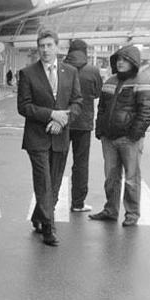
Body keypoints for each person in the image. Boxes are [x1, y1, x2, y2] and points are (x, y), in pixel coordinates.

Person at [17, 29, 81, 246]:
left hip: (60, 135)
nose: (45, 50)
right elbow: (24, 106)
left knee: (54, 183)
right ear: (38, 48)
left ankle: (39, 216)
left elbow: (77, 103)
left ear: (57, 46)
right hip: (37, 137)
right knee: (43, 182)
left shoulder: (70, 72)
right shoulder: (28, 73)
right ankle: (49, 227)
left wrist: (62, 120)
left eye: (49, 45)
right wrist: (51, 115)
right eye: (41, 46)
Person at [89, 45, 150, 227]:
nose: (120, 62)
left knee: (131, 178)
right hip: (109, 139)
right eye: (118, 59)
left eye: (124, 59)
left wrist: (134, 135)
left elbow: (146, 111)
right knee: (111, 178)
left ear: (133, 62)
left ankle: (132, 213)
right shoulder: (110, 81)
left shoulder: (142, 80)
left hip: (129, 139)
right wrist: (100, 130)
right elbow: (101, 108)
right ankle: (111, 210)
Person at [63, 39, 103, 212]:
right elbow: (98, 93)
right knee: (81, 164)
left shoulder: (61, 68)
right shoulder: (92, 71)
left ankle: (51, 203)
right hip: (83, 123)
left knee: (56, 163)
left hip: (63, 121)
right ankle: (78, 203)